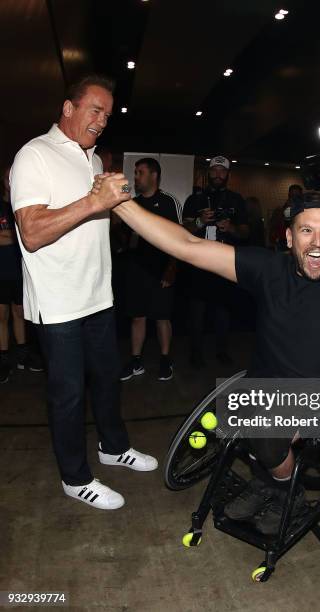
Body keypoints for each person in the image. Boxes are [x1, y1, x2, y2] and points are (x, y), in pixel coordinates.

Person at [103, 187, 320, 532]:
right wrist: (121, 204)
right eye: (306, 231)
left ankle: (281, 489)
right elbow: (189, 244)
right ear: (290, 238)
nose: (317, 243)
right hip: (263, 388)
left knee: (266, 432)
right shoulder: (269, 269)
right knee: (241, 416)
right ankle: (272, 479)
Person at [9, 74, 157, 511]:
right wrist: (95, 203)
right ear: (68, 108)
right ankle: (74, 477)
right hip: (58, 303)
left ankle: (113, 447)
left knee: (108, 381)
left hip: (97, 295)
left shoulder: (93, 160)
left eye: (107, 115)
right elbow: (32, 232)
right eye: (95, 110)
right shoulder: (34, 155)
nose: (101, 121)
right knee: (69, 393)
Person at [182, 155, 249, 368]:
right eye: (215, 170)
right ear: (209, 172)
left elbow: (246, 232)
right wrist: (201, 221)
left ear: (228, 174)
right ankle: (195, 352)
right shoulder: (195, 199)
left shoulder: (236, 199)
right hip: (198, 260)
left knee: (223, 310)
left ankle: (221, 350)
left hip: (225, 260)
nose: (218, 175)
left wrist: (231, 228)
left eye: (222, 171)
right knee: (197, 312)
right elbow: (183, 230)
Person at [120, 158, 181, 381]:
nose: (136, 177)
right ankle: (136, 361)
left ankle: (165, 359)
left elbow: (178, 238)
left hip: (161, 270)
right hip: (137, 268)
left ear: (154, 175)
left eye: (140, 172)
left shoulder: (168, 202)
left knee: (162, 317)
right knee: (138, 316)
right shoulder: (132, 203)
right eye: (135, 172)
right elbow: (123, 235)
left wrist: (172, 269)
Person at [0, 165, 43, 383]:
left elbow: (31, 235)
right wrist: (15, 237)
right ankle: (3, 359)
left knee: (19, 313)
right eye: (7, 177)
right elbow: (20, 237)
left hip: (20, 270)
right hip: (1, 271)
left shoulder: (22, 205)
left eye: (12, 176)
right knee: (2, 315)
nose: (10, 180)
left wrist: (12, 237)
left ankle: (22, 355)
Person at [269, 184, 303, 251]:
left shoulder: (304, 213)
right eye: (292, 196)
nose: (294, 199)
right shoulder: (279, 211)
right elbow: (271, 233)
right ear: (289, 196)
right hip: (282, 245)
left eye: (297, 196)